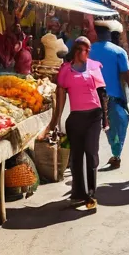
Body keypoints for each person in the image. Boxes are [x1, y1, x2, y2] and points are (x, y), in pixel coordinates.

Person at [39, 37, 107, 210]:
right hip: (76, 118)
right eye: (86, 50)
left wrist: (106, 118)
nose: (89, 53)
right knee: (76, 158)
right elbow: (60, 99)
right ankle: (78, 193)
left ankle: (91, 194)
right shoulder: (65, 71)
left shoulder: (94, 66)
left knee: (91, 154)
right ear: (77, 51)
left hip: (94, 116)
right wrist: (54, 122)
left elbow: (102, 93)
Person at [90, 19, 129, 170]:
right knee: (117, 127)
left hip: (92, 96)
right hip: (114, 96)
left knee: (94, 129)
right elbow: (126, 76)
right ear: (109, 34)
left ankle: (91, 158)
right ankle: (116, 154)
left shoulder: (88, 50)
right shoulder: (119, 52)